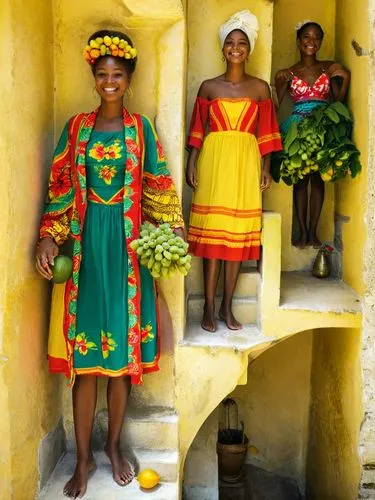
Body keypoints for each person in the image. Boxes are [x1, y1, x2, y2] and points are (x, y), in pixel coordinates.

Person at [35, 29, 184, 498]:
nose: (110, 82)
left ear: (129, 78)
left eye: (118, 74)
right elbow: (59, 188)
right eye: (102, 75)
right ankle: (82, 460)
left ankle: (114, 447)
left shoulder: (140, 130)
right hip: (83, 256)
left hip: (127, 255)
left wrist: (173, 230)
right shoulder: (76, 129)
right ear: (93, 78)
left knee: (119, 363)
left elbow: (158, 182)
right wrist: (47, 237)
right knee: (87, 364)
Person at [185, 10, 282, 333]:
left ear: (249, 49)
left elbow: (266, 131)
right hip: (214, 162)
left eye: (242, 43)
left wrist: (266, 168)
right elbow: (198, 128)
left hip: (246, 163)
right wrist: (191, 161)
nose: (236, 48)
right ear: (222, 49)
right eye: (230, 43)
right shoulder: (209, 87)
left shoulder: (260, 89)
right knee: (214, 237)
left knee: (237, 239)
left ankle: (228, 306)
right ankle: (209, 309)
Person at [274, 20, 350, 247]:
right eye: (306, 37)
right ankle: (302, 231)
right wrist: (279, 83)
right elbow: (276, 105)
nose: (311, 42)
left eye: (317, 37)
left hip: (324, 125)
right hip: (297, 129)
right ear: (298, 41)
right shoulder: (288, 72)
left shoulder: (329, 68)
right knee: (299, 179)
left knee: (318, 179)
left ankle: (313, 232)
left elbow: (338, 101)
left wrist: (344, 79)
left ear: (321, 42)